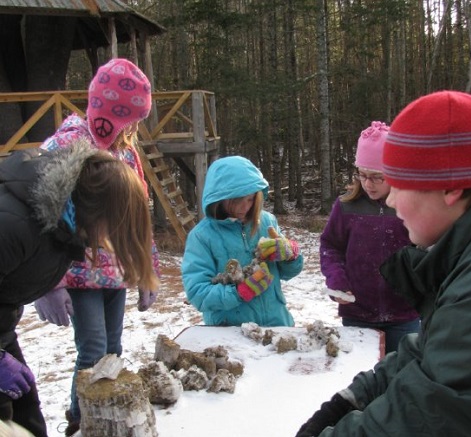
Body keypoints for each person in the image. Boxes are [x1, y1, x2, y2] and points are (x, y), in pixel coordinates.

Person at [295, 90, 471, 437]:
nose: (390, 198)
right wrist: (352, 399)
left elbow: (431, 412)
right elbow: (432, 354)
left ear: (450, 188)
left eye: (400, 184)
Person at [32, 58, 161, 436]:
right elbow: (42, 212)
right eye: (131, 118)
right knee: (93, 351)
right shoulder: (67, 146)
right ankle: (81, 420)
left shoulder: (126, 154)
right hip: (77, 272)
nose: (135, 128)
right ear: (110, 112)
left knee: (113, 351)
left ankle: (107, 418)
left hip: (115, 273)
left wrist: (147, 270)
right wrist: (48, 284)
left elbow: (139, 218)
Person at [0, 141, 158, 437]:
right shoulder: (14, 225)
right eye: (116, 227)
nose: (113, 239)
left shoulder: (66, 226)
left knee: (27, 421)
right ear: (97, 212)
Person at [319, 121, 419, 353]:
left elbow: (427, 250)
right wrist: (337, 280)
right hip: (358, 313)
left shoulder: (412, 204)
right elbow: (330, 246)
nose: (367, 184)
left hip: (405, 314)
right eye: (362, 175)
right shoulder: (346, 206)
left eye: (376, 177)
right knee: (363, 378)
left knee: (403, 378)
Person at [181, 155, 303, 327]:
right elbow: (197, 292)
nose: (245, 207)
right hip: (231, 334)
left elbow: (288, 272)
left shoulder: (266, 222)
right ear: (219, 199)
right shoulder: (202, 236)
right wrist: (239, 293)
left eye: (250, 199)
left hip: (277, 326)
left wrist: (290, 254)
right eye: (237, 200)